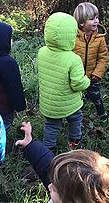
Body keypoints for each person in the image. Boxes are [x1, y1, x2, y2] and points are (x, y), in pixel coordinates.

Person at [37, 12, 90, 150]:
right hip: (70, 104)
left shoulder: (42, 52)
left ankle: (48, 149)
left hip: (49, 103)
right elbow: (77, 84)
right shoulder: (73, 59)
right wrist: (87, 81)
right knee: (75, 119)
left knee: (51, 125)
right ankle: (75, 143)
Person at [72, 2, 108, 120]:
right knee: (76, 97)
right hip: (77, 76)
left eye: (97, 17)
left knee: (95, 96)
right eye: (92, 19)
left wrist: (97, 73)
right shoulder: (73, 37)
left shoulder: (99, 38)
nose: (96, 21)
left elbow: (103, 57)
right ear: (81, 22)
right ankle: (77, 119)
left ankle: (102, 115)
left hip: (92, 75)